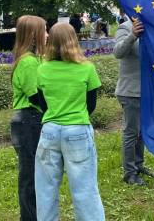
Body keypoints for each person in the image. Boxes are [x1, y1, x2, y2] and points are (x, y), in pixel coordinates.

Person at [35, 23, 104, 220]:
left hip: (49, 131)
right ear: (74, 40)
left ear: (51, 42)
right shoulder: (87, 68)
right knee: (85, 188)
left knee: (46, 189)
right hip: (77, 130)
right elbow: (91, 105)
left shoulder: (42, 69)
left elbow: (43, 104)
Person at [113, 17, 154, 186]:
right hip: (130, 91)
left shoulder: (150, 26)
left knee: (141, 132)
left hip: (146, 91)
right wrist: (132, 35)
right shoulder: (125, 28)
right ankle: (129, 173)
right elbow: (118, 52)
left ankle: (138, 165)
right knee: (131, 133)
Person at [10, 15, 47, 221]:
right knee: (30, 175)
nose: (47, 34)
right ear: (34, 35)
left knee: (35, 172)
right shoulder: (29, 62)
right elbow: (36, 97)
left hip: (30, 120)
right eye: (44, 30)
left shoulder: (34, 59)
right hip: (29, 121)